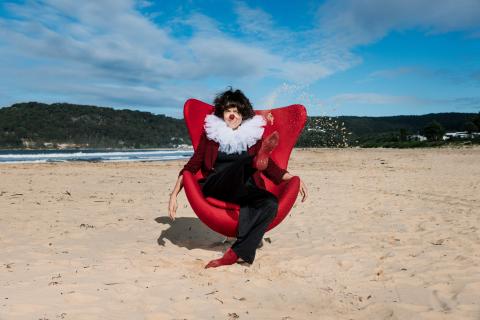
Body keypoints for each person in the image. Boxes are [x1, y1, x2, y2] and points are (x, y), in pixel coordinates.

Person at [168, 88, 308, 268]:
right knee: (246, 163)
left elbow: (271, 168)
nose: (232, 115)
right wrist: (174, 194)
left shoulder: (253, 138)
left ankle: (238, 252)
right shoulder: (211, 136)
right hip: (218, 185)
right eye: (228, 111)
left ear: (243, 115)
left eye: (236, 111)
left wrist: (293, 179)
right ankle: (254, 161)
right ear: (222, 113)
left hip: (243, 189)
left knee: (271, 203)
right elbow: (191, 167)